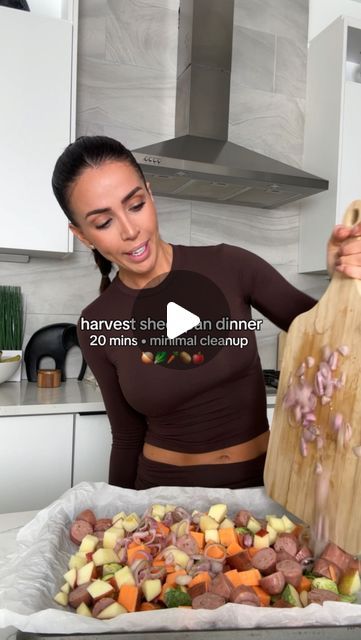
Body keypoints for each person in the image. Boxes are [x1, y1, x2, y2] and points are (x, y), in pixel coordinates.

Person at [52, 135, 361, 490]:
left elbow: (336, 343)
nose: (130, 230)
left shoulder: (231, 265)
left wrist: (344, 282)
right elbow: (125, 437)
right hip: (162, 500)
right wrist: (116, 512)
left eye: (135, 205)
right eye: (103, 223)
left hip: (264, 490)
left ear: (150, 195)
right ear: (83, 235)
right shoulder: (97, 324)